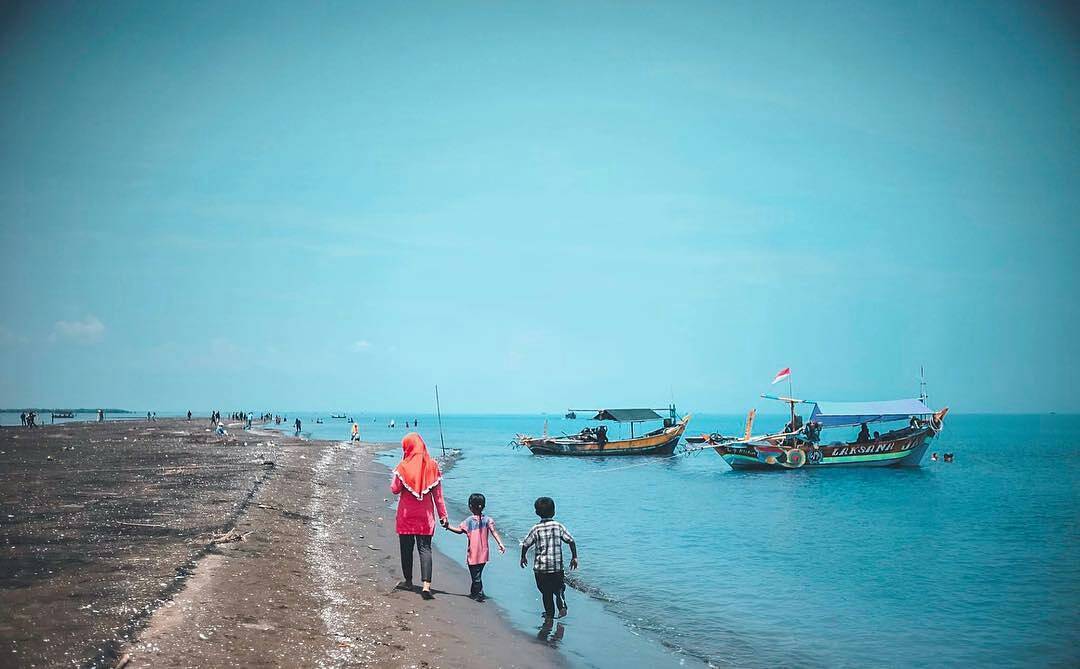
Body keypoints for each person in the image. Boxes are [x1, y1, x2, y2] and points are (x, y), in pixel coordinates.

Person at [391, 433, 448, 600]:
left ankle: (408, 582)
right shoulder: (432, 466)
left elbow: (394, 489)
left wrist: (396, 475)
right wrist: (443, 516)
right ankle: (426, 586)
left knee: (406, 549)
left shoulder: (402, 467)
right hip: (425, 517)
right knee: (425, 549)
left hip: (406, 516)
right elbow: (438, 496)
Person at [520, 496, 578, 618]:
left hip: (541, 569)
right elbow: (571, 541)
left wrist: (523, 557)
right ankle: (561, 602)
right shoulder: (558, 526)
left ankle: (550, 614)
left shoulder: (536, 528)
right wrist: (574, 557)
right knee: (559, 587)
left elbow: (526, 544)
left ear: (537, 512)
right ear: (554, 511)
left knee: (546, 593)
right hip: (556, 567)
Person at [444, 493, 506, 602]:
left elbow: (459, 531)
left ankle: (479, 594)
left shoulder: (469, 520)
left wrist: (448, 527)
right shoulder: (487, 519)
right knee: (477, 574)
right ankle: (474, 592)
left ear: (470, 506)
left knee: (475, 575)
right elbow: (494, 532)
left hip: (473, 553)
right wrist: (500, 544)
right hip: (484, 553)